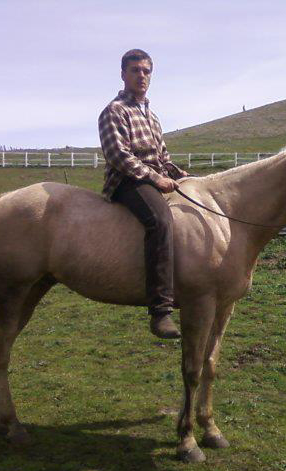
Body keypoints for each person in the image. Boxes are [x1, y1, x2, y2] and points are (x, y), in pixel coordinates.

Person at [98, 49, 188, 339]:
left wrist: (179, 175)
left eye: (146, 71)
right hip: (127, 181)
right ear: (123, 74)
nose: (141, 76)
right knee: (160, 220)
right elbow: (118, 155)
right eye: (135, 70)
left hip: (153, 178)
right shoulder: (114, 111)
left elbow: (163, 157)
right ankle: (160, 310)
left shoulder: (152, 116)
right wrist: (156, 178)